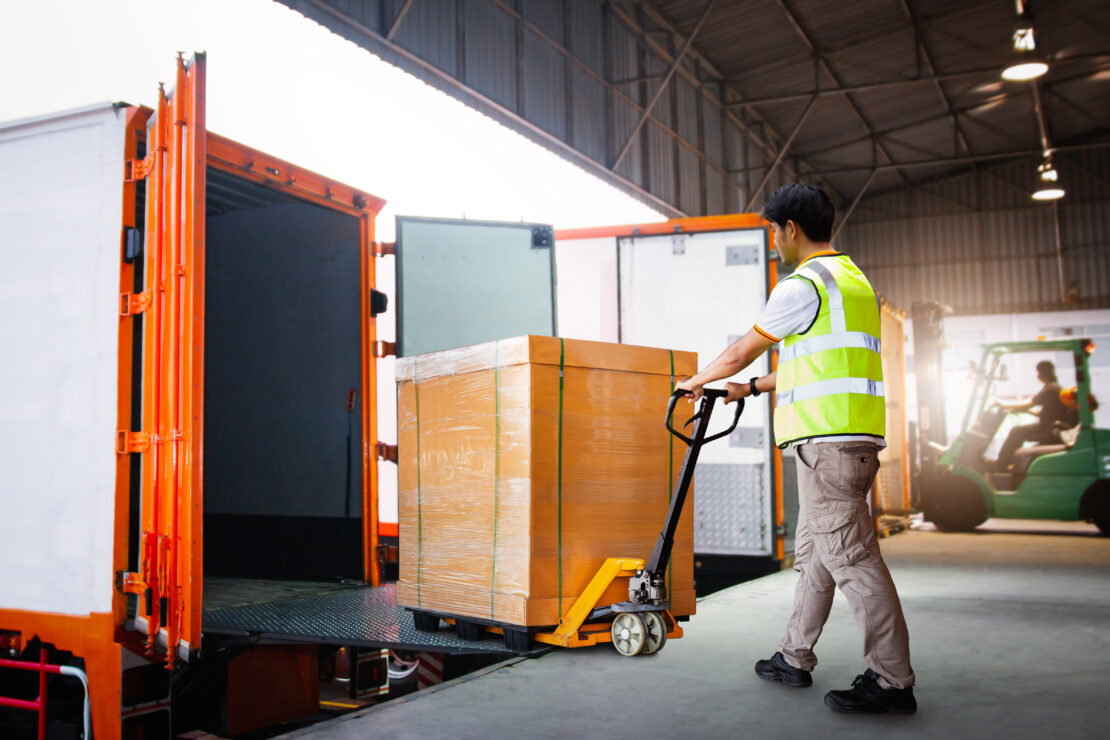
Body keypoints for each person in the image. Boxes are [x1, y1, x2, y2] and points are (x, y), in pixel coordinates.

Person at [675, 184, 915, 714]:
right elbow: (815, 365)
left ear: (789, 229)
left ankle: (893, 680)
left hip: (827, 448)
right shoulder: (851, 281)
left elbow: (741, 349)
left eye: (773, 231)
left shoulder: (802, 283)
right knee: (816, 557)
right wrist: (748, 390)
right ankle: (794, 655)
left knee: (853, 560)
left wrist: (696, 381)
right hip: (848, 442)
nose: (774, 243)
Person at [993, 361, 1069, 470]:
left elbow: (1028, 403)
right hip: (1050, 426)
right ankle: (1008, 464)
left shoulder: (1050, 388)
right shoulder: (1054, 387)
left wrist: (1002, 403)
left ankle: (1001, 464)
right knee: (1019, 430)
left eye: (1038, 372)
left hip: (1047, 428)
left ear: (1041, 373)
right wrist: (1026, 411)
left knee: (1016, 431)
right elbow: (1044, 412)